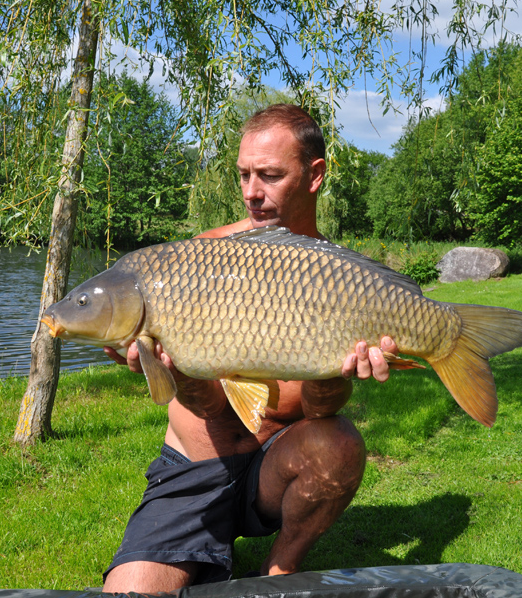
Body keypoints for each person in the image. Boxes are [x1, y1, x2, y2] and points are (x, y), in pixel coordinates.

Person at [101, 104, 398, 594]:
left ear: (314, 175)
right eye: (243, 175)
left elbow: (316, 409)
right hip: (194, 472)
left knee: (340, 441)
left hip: (273, 470)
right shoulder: (200, 260)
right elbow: (211, 407)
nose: (251, 193)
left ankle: (281, 565)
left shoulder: (343, 284)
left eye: (270, 175)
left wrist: (333, 375)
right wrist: (174, 370)